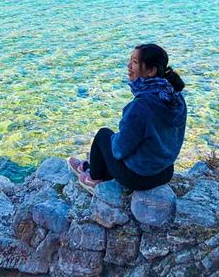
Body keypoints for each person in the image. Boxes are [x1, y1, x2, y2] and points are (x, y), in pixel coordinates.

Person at [68, 43, 187, 194]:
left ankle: (93, 178)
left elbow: (119, 150)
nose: (128, 66)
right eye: (130, 60)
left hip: (138, 177)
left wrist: (115, 138)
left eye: (135, 62)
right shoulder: (176, 98)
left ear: (151, 71)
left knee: (104, 135)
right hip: (165, 171)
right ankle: (94, 166)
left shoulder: (140, 107)